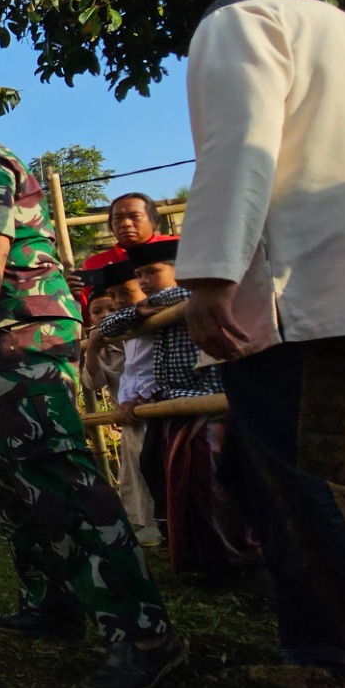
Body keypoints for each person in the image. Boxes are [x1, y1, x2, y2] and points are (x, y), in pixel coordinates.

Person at [0, 75, 183, 688]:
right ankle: (52, 601)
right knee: (15, 477)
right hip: (3, 342)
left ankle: (144, 635)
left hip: (17, 338)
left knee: (58, 474)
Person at [176, 0, 345, 688]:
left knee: (317, 494)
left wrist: (210, 272)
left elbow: (241, 140)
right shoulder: (340, 30)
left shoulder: (241, 22)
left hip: (306, 303)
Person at [97, 240, 258, 574]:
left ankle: (233, 558)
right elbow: (106, 326)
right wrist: (136, 312)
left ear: (180, 268)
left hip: (207, 401)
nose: (143, 281)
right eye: (139, 274)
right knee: (177, 484)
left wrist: (138, 310)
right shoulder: (153, 306)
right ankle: (199, 557)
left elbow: (171, 299)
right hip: (174, 404)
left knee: (211, 485)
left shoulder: (194, 295)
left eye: (152, 271)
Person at [79, 263, 160, 546]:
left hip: (155, 410)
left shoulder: (145, 328)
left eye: (110, 307)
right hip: (129, 420)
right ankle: (148, 527)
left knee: (156, 471)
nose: (105, 314)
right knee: (138, 477)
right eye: (97, 311)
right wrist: (92, 348)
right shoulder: (103, 342)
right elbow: (92, 383)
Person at [76, 194, 175, 301]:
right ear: (111, 225)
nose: (126, 223)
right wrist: (76, 297)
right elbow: (92, 311)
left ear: (154, 220)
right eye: (118, 218)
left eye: (135, 216)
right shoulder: (94, 264)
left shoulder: (176, 248)